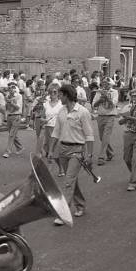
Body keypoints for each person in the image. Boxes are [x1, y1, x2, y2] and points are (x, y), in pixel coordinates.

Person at [48, 84, 95, 225]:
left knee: (68, 180)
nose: (59, 97)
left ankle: (63, 214)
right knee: (71, 180)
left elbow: (89, 135)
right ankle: (80, 205)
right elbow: (56, 132)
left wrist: (89, 154)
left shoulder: (83, 112)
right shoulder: (61, 111)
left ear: (66, 95)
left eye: (61, 95)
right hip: (63, 150)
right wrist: (51, 150)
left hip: (77, 150)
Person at [92, 78, 118, 165]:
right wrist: (100, 100)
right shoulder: (99, 92)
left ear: (110, 84)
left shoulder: (114, 92)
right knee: (101, 137)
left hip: (110, 116)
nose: (105, 85)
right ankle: (110, 153)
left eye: (107, 84)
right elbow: (93, 105)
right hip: (100, 116)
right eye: (103, 83)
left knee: (106, 135)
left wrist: (107, 97)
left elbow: (113, 104)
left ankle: (101, 157)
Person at [2, 82, 23, 158]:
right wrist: (7, 101)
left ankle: (7, 151)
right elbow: (7, 108)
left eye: (12, 87)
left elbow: (18, 107)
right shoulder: (7, 96)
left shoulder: (19, 96)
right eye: (9, 88)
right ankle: (20, 147)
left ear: (15, 88)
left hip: (16, 116)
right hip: (9, 116)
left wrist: (11, 102)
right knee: (13, 134)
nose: (10, 89)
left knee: (11, 135)